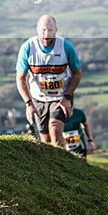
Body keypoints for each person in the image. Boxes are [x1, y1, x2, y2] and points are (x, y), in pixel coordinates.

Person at [16, 14, 82, 149]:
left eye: (50, 30)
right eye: (43, 30)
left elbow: (77, 73)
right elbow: (20, 78)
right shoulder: (28, 48)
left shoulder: (66, 47)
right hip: (38, 98)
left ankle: (64, 166)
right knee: (45, 140)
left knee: (55, 129)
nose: (46, 34)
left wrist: (67, 97)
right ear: (37, 30)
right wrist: (28, 104)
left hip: (60, 97)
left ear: (56, 30)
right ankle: (52, 166)